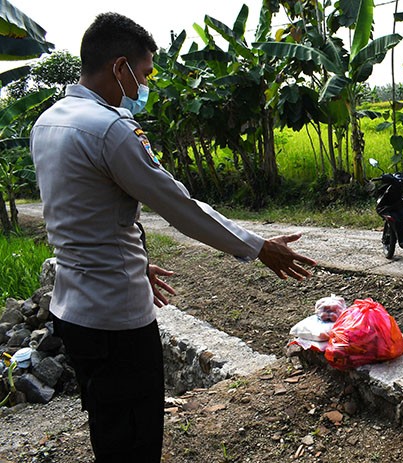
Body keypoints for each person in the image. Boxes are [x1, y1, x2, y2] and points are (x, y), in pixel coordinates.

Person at [29, 13, 317, 462]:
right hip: (116, 319)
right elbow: (179, 207)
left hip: (74, 311)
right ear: (119, 67)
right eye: (143, 74)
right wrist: (259, 247)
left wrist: (136, 261)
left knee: (108, 427)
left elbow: (78, 213)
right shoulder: (110, 129)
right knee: (136, 438)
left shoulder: (48, 122)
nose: (144, 86)